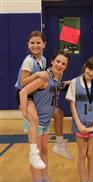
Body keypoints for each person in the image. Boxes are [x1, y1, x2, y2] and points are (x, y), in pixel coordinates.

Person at [15, 31, 73, 162]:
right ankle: (33, 152)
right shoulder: (28, 61)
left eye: (38, 43)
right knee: (34, 119)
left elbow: (49, 78)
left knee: (58, 113)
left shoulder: (43, 59)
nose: (36, 45)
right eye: (32, 43)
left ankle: (59, 143)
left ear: (44, 44)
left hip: (35, 92)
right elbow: (23, 83)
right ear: (28, 44)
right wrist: (37, 75)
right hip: (25, 94)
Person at [19, 50, 70, 182]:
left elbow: (56, 89)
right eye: (58, 62)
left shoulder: (57, 76)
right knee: (36, 154)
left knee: (44, 152)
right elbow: (23, 92)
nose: (60, 65)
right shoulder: (45, 76)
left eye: (64, 64)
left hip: (46, 121)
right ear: (52, 61)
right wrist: (24, 112)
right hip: (36, 121)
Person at [65, 56, 93, 182]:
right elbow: (72, 105)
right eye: (89, 69)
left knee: (91, 153)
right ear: (85, 66)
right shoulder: (75, 83)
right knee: (82, 154)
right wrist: (78, 124)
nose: (91, 73)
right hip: (79, 124)